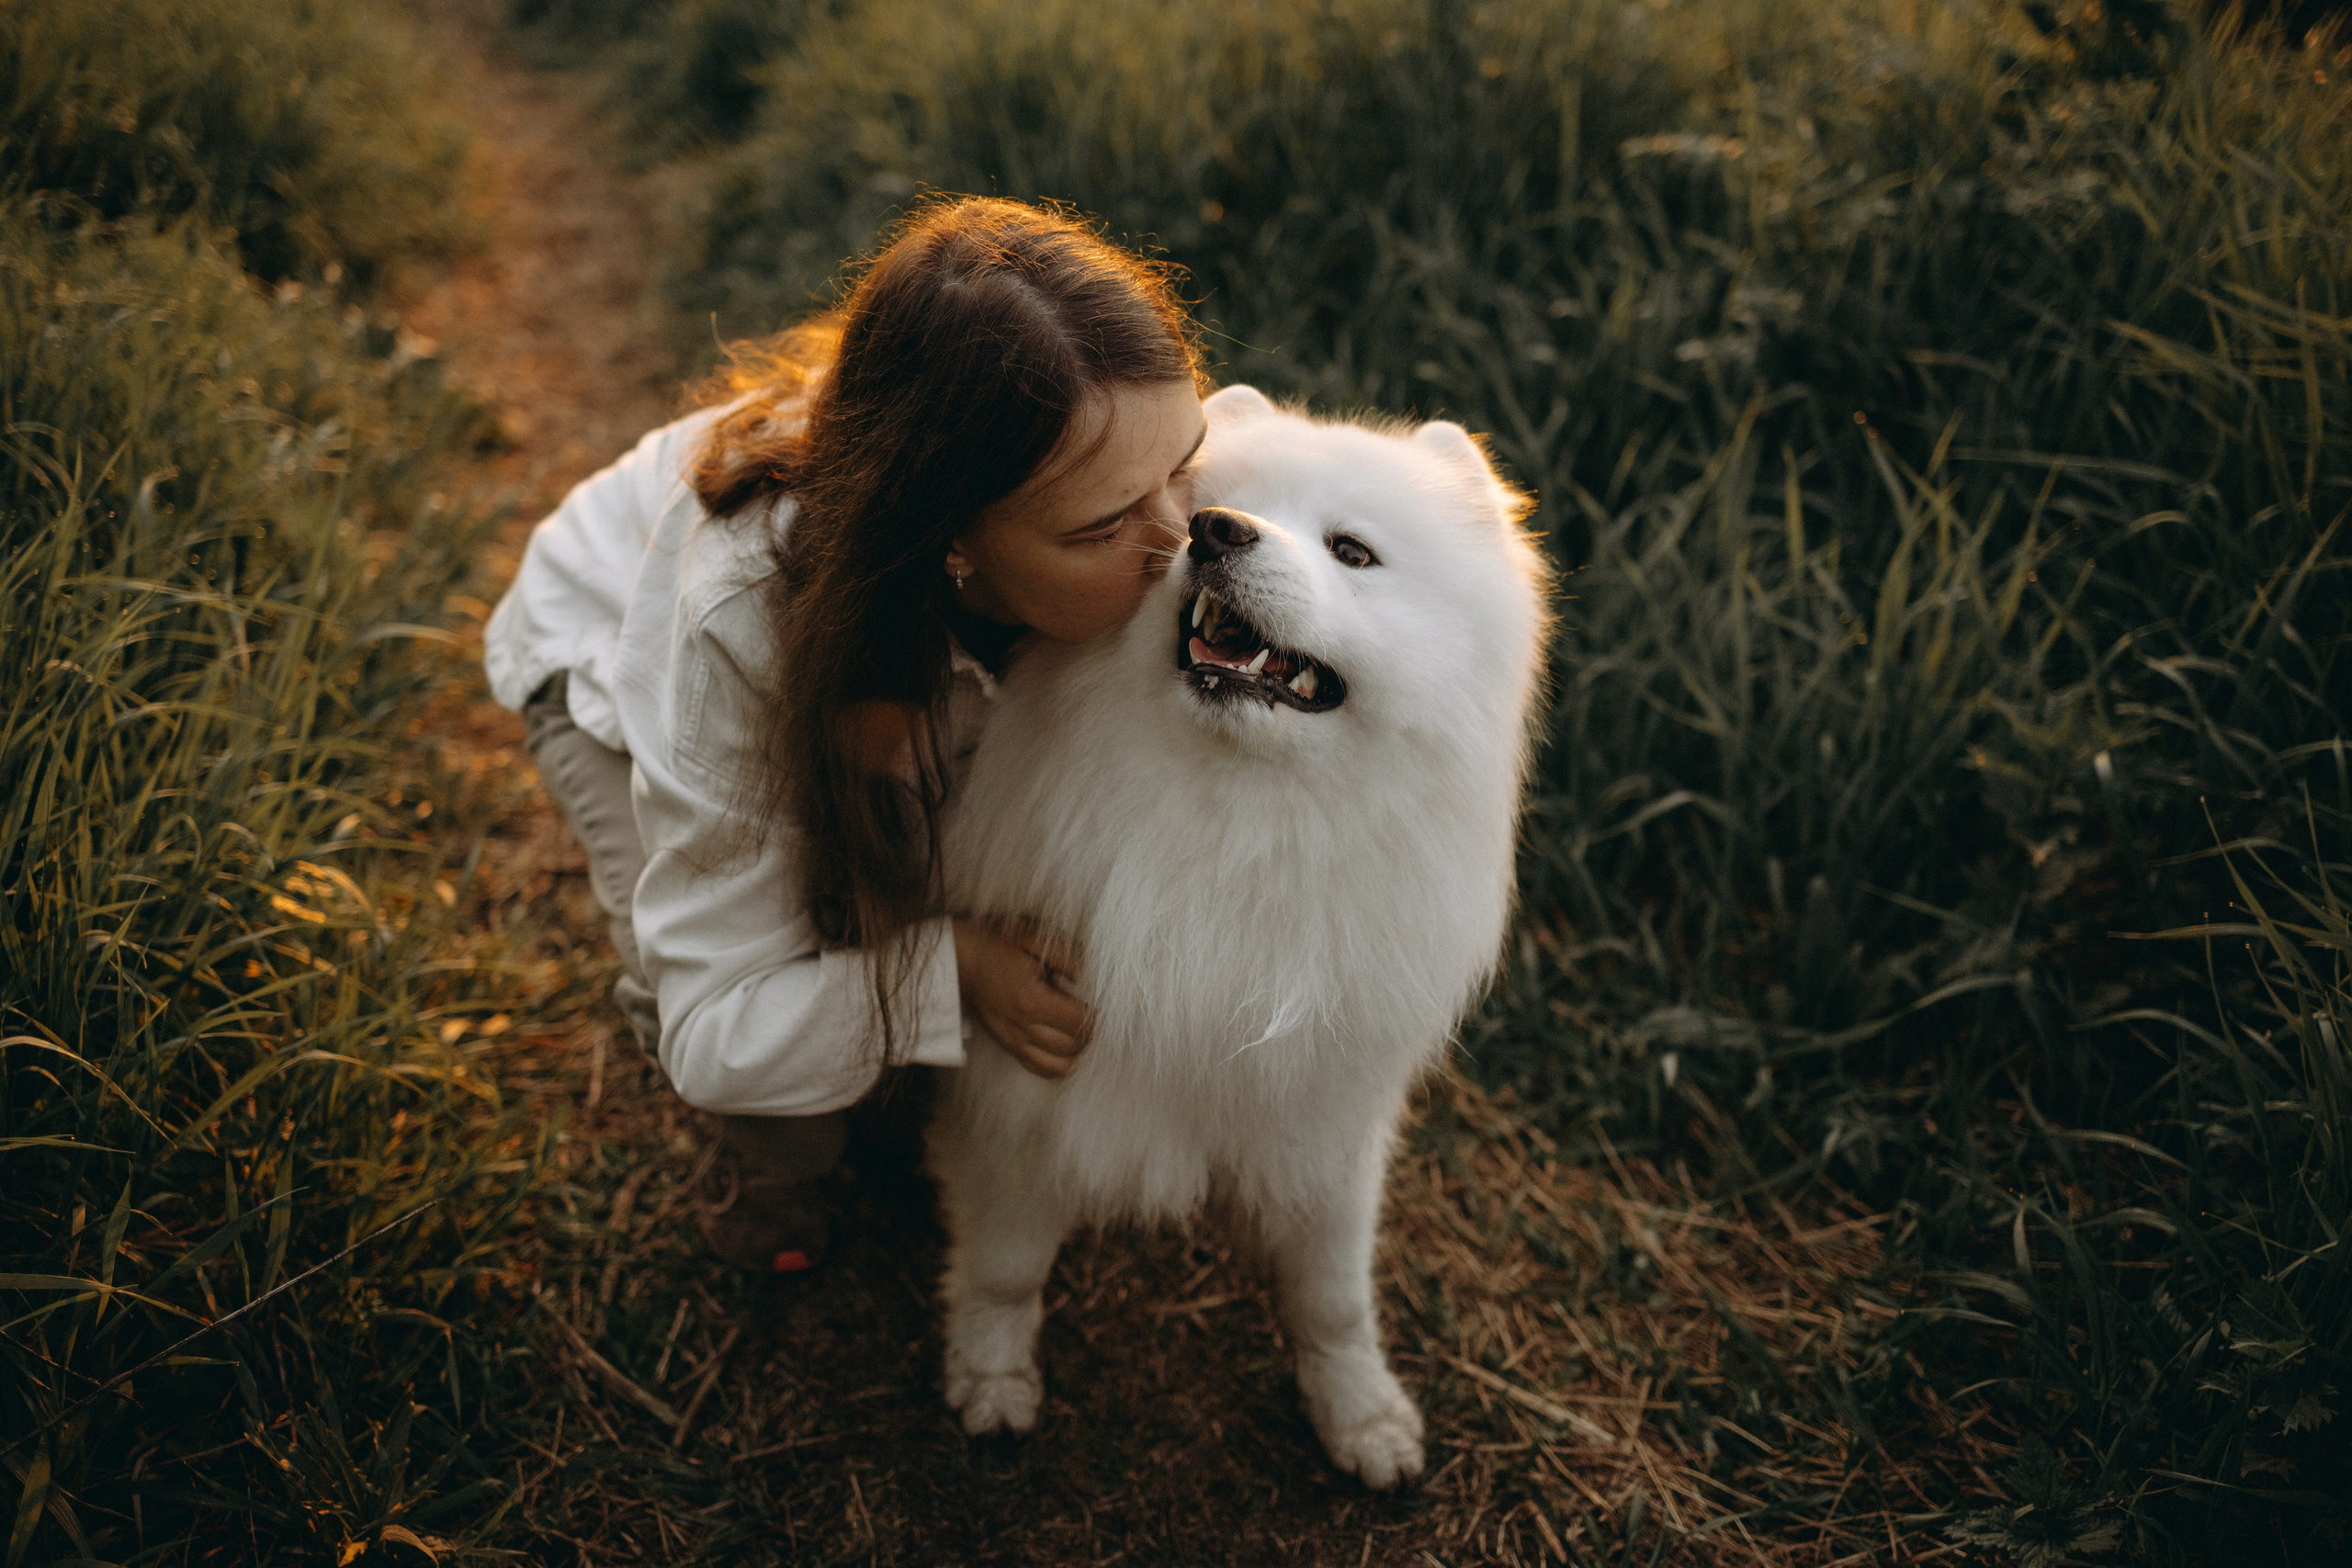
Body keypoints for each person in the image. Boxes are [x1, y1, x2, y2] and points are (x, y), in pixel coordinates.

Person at [481, 197, 1209, 1271]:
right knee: (790, 1097)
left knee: (906, 868)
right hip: (600, 650)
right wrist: (944, 968)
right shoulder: (739, 625)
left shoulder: (1135, 480)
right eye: (1104, 526)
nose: (1182, 545)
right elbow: (719, 1032)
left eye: (1188, 466)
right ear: (952, 541)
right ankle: (767, 1163)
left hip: (899, 627)